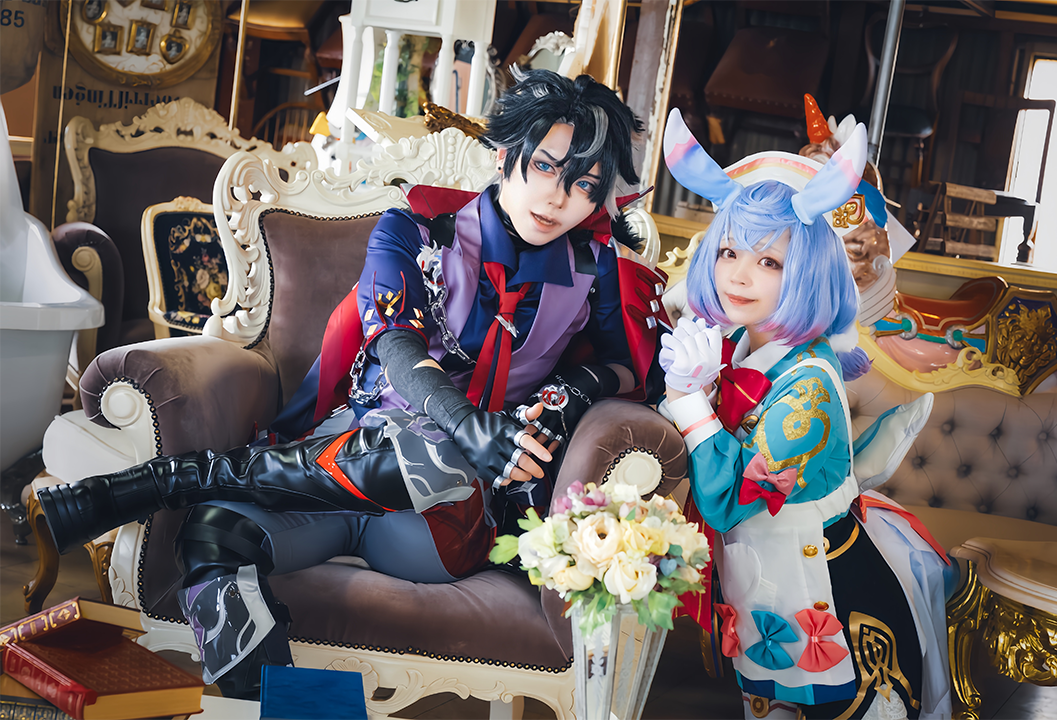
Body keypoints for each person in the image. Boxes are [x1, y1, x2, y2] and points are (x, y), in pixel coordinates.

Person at [36, 70, 664, 699]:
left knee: (432, 449)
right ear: (505, 156)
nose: (559, 198)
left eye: (585, 185)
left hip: (447, 510)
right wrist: (468, 422)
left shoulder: (595, 269)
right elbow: (394, 341)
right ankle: (287, 711)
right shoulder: (412, 229)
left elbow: (628, 367)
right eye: (547, 167)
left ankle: (158, 483)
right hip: (340, 466)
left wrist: (569, 394)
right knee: (213, 534)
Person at [659, 109, 952, 720]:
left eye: (769, 261)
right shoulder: (738, 345)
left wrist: (688, 399)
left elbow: (727, 499)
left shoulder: (810, 388)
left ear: (809, 270)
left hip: (826, 598)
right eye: (730, 251)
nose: (739, 275)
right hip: (763, 579)